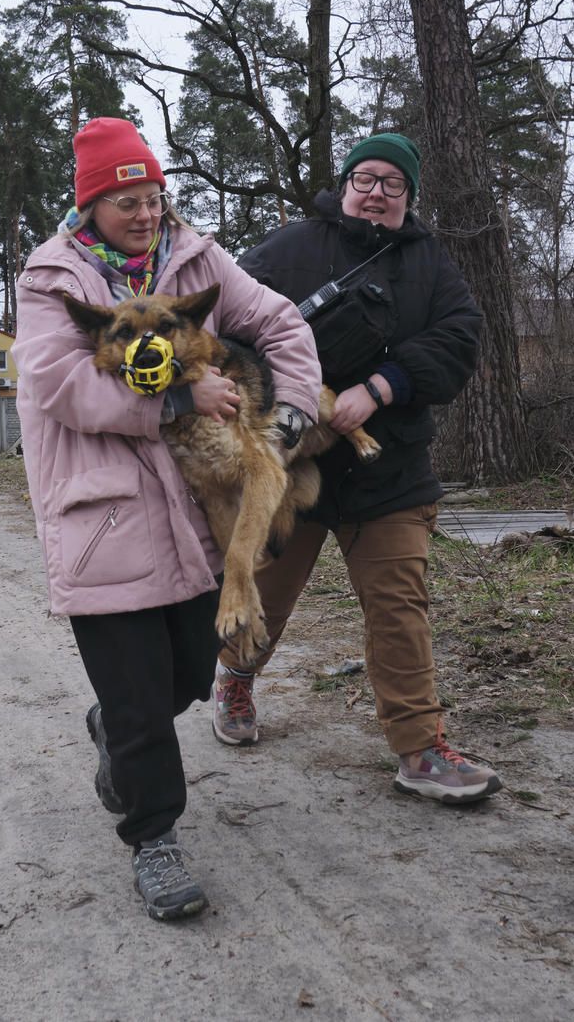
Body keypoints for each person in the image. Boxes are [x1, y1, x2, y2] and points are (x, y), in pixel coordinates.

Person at [12, 117, 322, 920]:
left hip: (192, 515)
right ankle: (155, 838)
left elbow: (280, 323)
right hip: (103, 515)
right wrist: (176, 400)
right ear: (91, 207)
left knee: (189, 670)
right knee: (140, 694)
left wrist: (287, 418)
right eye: (127, 202)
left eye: (153, 197)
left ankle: (113, 726)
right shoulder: (54, 279)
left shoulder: (194, 254)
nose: (146, 214)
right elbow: (58, 386)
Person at [212, 131, 503, 805]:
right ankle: (236, 675)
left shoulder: (429, 263)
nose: (376, 192)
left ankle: (420, 747)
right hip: (289, 467)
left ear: (409, 196)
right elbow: (226, 320)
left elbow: (460, 337)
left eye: (391, 183)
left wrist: (383, 385)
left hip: (389, 469)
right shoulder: (292, 248)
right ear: (345, 185)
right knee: (265, 595)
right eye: (365, 179)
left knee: (400, 605)